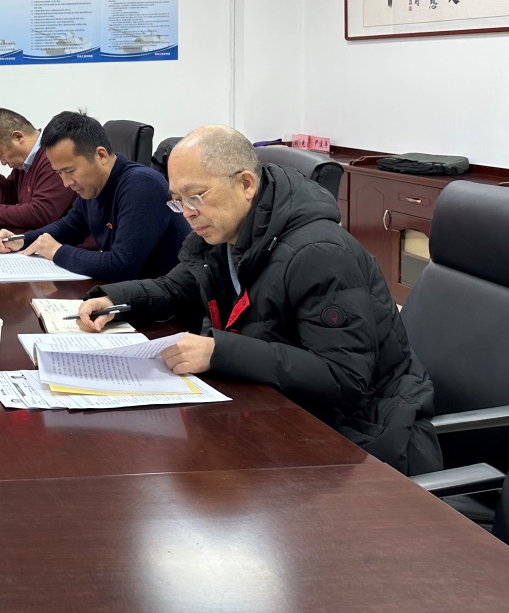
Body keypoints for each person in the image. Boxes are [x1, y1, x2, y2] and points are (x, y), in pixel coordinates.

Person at [77, 125, 442, 476]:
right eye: (178, 201)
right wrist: (115, 299)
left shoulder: (319, 254)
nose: (187, 212)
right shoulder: (225, 235)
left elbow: (343, 379)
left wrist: (220, 352)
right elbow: (177, 288)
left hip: (365, 436)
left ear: (246, 184)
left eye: (196, 196)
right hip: (283, 413)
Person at [0, 110, 188, 281]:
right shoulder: (94, 186)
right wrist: (22, 240)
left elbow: (122, 266)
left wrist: (57, 251)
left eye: (70, 171)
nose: (66, 183)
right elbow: (68, 227)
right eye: (59, 173)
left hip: (168, 307)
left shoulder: (142, 185)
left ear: (101, 155)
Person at [0, 107, 76, 229]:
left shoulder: (52, 156)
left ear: (18, 137)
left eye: (0, 153)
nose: (3, 162)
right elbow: (10, 199)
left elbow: (41, 214)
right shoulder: (25, 163)